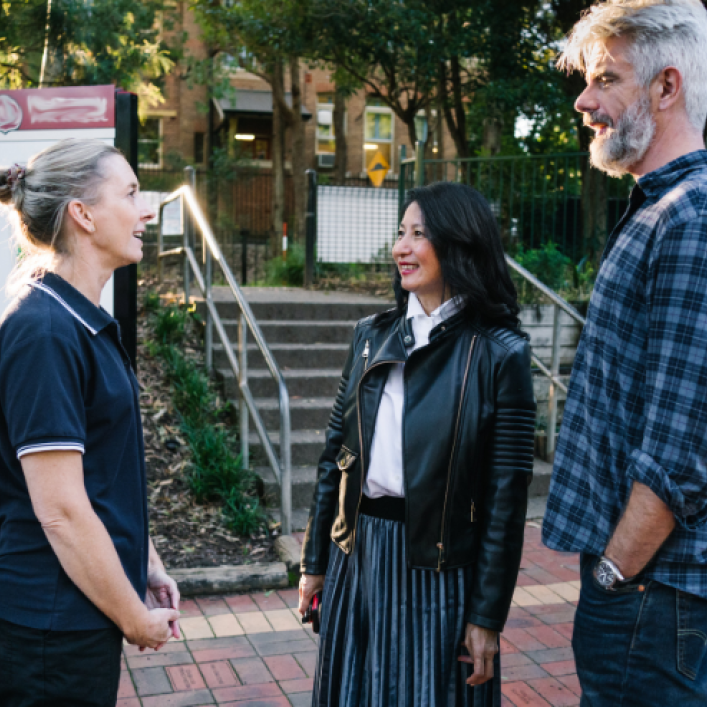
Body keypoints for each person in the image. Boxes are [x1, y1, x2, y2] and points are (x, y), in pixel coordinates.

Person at [299, 181, 536, 707]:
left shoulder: (499, 354)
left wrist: (486, 615)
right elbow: (335, 458)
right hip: (356, 557)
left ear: (459, 243)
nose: (400, 248)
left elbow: (505, 501)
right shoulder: (370, 336)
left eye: (418, 234)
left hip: (439, 572)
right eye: (400, 233)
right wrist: (314, 561)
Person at [542, 0, 707, 703]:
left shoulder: (690, 218)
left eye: (604, 78)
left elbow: (680, 451)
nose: (583, 101)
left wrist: (612, 575)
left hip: (649, 591)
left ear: (665, 87)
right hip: (643, 588)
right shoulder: (658, 207)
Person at [0, 138, 181, 707]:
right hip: (49, 628)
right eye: (129, 193)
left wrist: (143, 561)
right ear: (82, 214)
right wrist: (134, 617)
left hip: (77, 611)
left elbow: (103, 469)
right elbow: (60, 510)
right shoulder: (45, 330)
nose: (146, 209)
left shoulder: (79, 318)